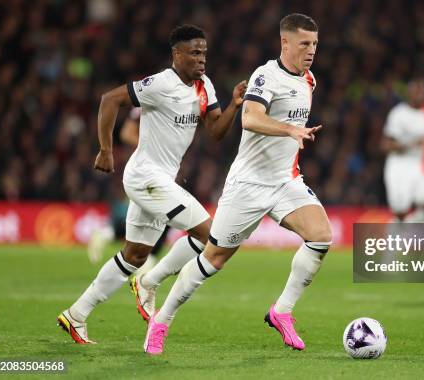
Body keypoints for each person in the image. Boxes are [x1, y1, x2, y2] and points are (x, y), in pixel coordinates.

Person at [143, 13, 332, 355]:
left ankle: (282, 311)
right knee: (213, 259)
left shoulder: (309, 79)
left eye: (315, 44)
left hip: (286, 180)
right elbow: (250, 118)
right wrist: (290, 129)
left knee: (321, 237)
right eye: (304, 43)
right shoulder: (265, 76)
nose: (311, 50)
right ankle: (161, 320)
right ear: (285, 43)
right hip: (248, 185)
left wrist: (292, 138)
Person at [57, 24, 247, 344]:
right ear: (177, 54)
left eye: (204, 52)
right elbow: (109, 100)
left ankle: (77, 314)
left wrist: (234, 106)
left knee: (134, 255)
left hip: (159, 181)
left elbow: (215, 131)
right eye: (194, 52)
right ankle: (149, 282)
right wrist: (105, 149)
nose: (202, 59)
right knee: (208, 235)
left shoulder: (203, 86)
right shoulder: (160, 84)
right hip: (146, 176)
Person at [87, 107, 170, 273]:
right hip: (146, 169)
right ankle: (147, 262)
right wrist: (150, 147)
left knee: (151, 216)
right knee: (166, 213)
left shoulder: (165, 102)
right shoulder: (150, 102)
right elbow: (126, 133)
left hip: (154, 169)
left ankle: (106, 234)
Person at [381, 76, 424, 222]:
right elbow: (385, 145)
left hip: (421, 164)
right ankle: (399, 232)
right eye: (417, 90)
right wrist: (411, 144)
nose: (421, 93)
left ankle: (405, 228)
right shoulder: (398, 114)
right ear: (409, 93)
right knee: (400, 211)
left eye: (423, 90)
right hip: (399, 164)